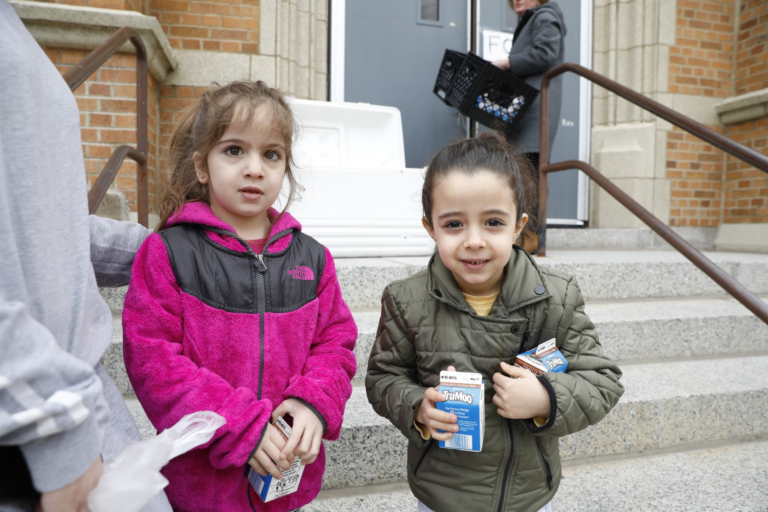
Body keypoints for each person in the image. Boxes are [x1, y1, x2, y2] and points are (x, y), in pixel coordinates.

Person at [122, 81, 358, 512]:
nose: (254, 168)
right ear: (201, 166)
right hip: (199, 486)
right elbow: (154, 362)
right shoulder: (168, 252)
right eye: (234, 150)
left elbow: (335, 344)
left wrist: (313, 402)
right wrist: (241, 427)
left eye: (271, 154)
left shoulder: (314, 259)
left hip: (284, 483)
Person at [366, 131, 624, 512]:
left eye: (492, 222)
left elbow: (602, 381)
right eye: (454, 224)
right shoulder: (406, 300)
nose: (474, 240)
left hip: (527, 494)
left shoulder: (556, 297)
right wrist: (418, 406)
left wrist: (546, 397)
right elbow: (383, 376)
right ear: (430, 227)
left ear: (518, 226)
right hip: (442, 492)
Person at [0, 3, 171, 511]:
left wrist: (171, 248)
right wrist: (55, 429)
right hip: (37, 446)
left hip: (81, 421)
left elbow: (42, 220)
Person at [493, 0, 566, 185]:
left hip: (535, 114)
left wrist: (507, 63)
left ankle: (534, 215)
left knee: (529, 178)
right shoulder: (532, 20)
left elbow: (546, 53)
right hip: (524, 112)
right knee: (522, 179)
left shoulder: (544, 16)